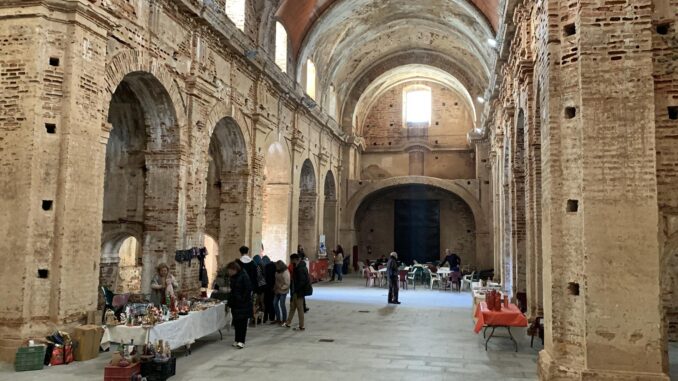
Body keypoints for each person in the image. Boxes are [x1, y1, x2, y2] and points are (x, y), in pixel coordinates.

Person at [226, 261, 252, 349]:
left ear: (234, 269)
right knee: (236, 323)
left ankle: (241, 341)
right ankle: (237, 339)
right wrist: (230, 302)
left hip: (243, 304)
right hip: (235, 303)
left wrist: (242, 299)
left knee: (242, 323)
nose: (228, 272)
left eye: (229, 270)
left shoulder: (244, 276)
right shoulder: (233, 277)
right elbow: (232, 291)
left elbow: (248, 289)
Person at [283, 253, 312, 331]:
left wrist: (295, 290)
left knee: (300, 309)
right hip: (296, 291)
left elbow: (301, 282)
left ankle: (301, 325)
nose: (291, 262)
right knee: (292, 307)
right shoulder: (298, 267)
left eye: (292, 260)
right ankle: (288, 323)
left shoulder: (300, 268)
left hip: (298, 292)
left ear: (295, 259)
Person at [273, 260, 290, 324]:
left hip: (283, 290)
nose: (276, 267)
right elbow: (276, 280)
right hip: (277, 290)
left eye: (277, 266)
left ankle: (284, 319)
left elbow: (287, 283)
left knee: (282, 304)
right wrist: (275, 288)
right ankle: (278, 319)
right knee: (274, 303)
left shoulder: (286, 272)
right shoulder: (277, 271)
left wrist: (280, 288)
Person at [262, 256, 277, 323]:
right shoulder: (274, 266)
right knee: (271, 303)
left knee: (266, 302)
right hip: (273, 288)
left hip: (267, 287)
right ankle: (272, 317)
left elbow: (265, 277)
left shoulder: (267, 267)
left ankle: (265, 317)